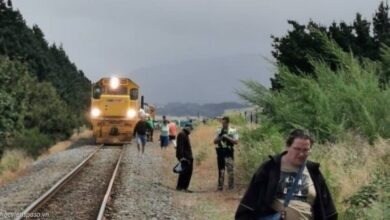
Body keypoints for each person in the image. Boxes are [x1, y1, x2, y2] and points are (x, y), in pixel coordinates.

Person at [235, 129, 337, 220]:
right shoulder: (270, 168)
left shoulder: (314, 171)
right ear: (287, 146)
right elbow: (250, 202)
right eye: (297, 149)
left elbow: (328, 209)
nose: (301, 154)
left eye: (305, 150)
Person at [213, 116, 239, 191]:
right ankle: (220, 186)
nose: (223, 124)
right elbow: (214, 141)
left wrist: (227, 137)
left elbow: (236, 141)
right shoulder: (219, 131)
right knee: (221, 169)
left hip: (229, 152)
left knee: (230, 169)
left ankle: (231, 187)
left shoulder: (233, 130)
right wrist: (221, 137)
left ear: (228, 123)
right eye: (222, 123)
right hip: (220, 152)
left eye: (224, 123)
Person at [175, 126, 193, 192]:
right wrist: (181, 157)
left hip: (188, 156)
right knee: (185, 173)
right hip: (185, 157)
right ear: (187, 128)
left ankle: (184, 187)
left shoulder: (185, 134)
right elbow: (180, 147)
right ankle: (181, 187)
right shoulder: (182, 134)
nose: (191, 131)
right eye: (190, 129)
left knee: (187, 173)